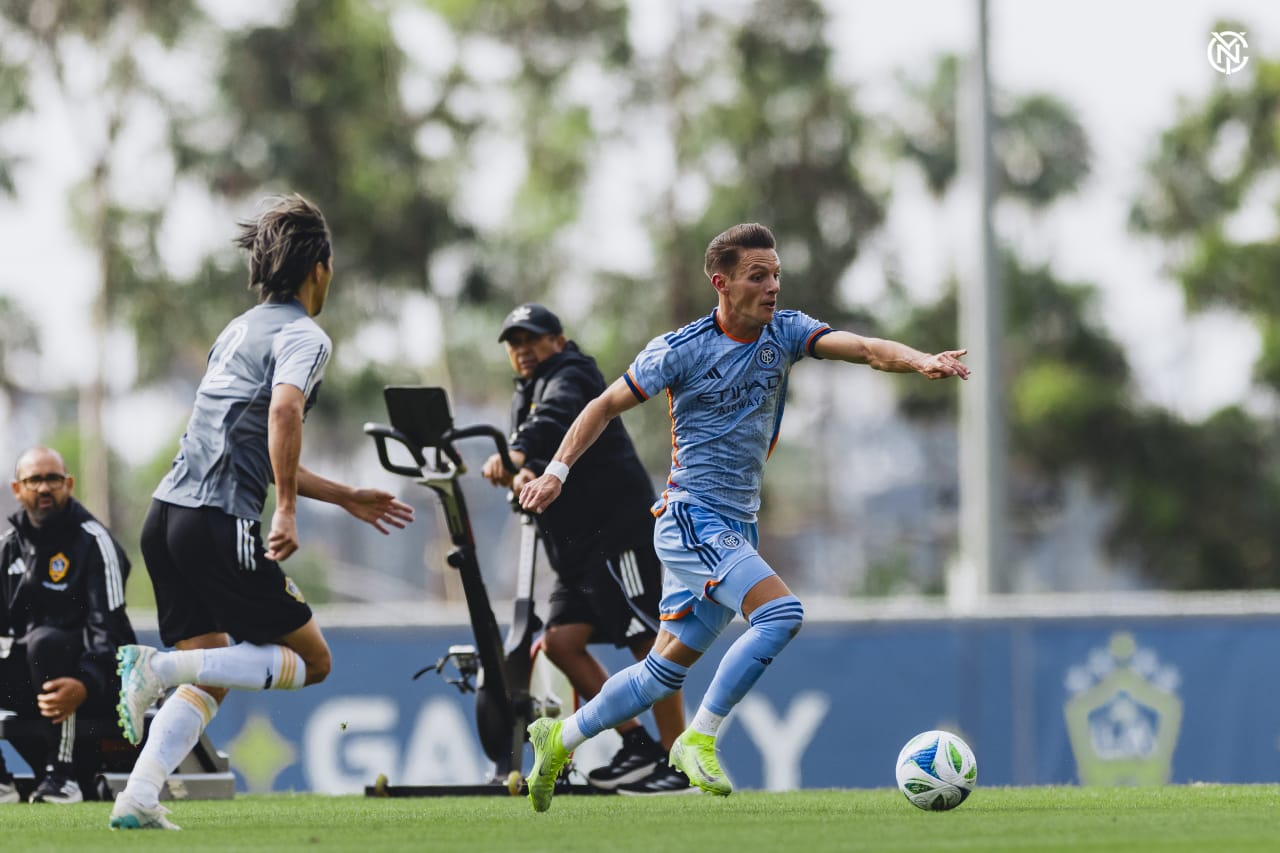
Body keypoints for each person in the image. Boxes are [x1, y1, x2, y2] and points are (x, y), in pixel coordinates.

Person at [517, 223, 970, 811]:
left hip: (734, 526)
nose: (773, 286)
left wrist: (921, 361)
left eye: (776, 274)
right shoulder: (680, 349)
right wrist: (556, 470)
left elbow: (862, 350)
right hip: (689, 519)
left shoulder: (786, 333)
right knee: (780, 614)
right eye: (758, 275)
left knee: (660, 673)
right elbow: (602, 406)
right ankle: (697, 738)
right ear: (721, 283)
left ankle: (562, 737)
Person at [108, 194, 415, 830]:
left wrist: (345, 496)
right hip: (221, 519)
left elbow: (258, 444)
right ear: (321, 266)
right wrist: (288, 514)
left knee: (213, 669)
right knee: (314, 661)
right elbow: (282, 416)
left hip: (167, 518)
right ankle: (155, 666)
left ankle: (138, 796)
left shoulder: (239, 328)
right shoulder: (307, 336)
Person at [480, 304, 690, 795]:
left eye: (531, 338)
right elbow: (540, 446)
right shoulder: (526, 392)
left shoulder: (572, 372)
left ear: (559, 339)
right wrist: (525, 469)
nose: (522, 350)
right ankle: (638, 745)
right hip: (576, 550)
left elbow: (558, 416)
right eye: (514, 343)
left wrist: (515, 455)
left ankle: (680, 759)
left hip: (617, 536)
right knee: (561, 642)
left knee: (647, 641)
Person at [0, 447, 136, 804]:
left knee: (45, 643)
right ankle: (2, 784)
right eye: (34, 480)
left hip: (97, 681)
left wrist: (87, 680)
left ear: (69, 484)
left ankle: (63, 777)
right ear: (18, 489)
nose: (44, 488)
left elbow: (109, 629)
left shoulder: (95, 542)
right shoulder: (8, 549)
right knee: (34, 644)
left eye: (53, 479)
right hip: (34, 681)